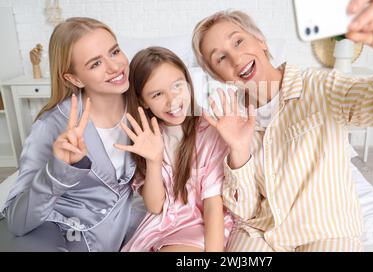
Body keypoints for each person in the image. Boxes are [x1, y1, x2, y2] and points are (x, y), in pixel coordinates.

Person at [191, 0, 373, 252]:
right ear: (218, 76)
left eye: (238, 42)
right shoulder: (228, 120)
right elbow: (246, 210)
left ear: (261, 42)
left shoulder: (321, 87)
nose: (236, 58)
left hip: (326, 232)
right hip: (261, 233)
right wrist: (239, 150)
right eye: (220, 58)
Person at [0, 17, 142, 251]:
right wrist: (57, 171)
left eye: (115, 51)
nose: (115, 67)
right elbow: (17, 221)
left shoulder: (143, 101)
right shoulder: (52, 124)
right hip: (56, 228)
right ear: (74, 78)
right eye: (95, 64)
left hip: (117, 230)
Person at [119, 47, 233, 252]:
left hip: (203, 224)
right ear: (143, 101)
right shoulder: (147, 138)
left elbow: (213, 204)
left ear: (188, 83)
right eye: (157, 94)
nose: (172, 101)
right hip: (163, 226)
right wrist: (153, 160)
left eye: (177, 86)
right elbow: (155, 206)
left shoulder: (209, 130)